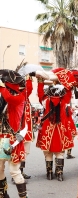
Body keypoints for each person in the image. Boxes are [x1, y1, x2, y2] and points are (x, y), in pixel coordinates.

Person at [36, 68, 77, 182]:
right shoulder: (64, 101)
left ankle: (49, 173)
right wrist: (64, 79)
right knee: (60, 153)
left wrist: (40, 81)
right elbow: (68, 89)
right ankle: (59, 173)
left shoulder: (46, 101)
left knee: (47, 153)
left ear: (49, 93)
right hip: (61, 130)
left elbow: (40, 93)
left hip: (47, 130)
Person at [0, 69, 31, 198]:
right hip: (2, 137)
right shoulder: (4, 98)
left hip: (13, 139)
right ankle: (3, 194)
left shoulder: (20, 96)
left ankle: (23, 197)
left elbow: (9, 97)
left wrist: (1, 87)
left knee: (14, 171)